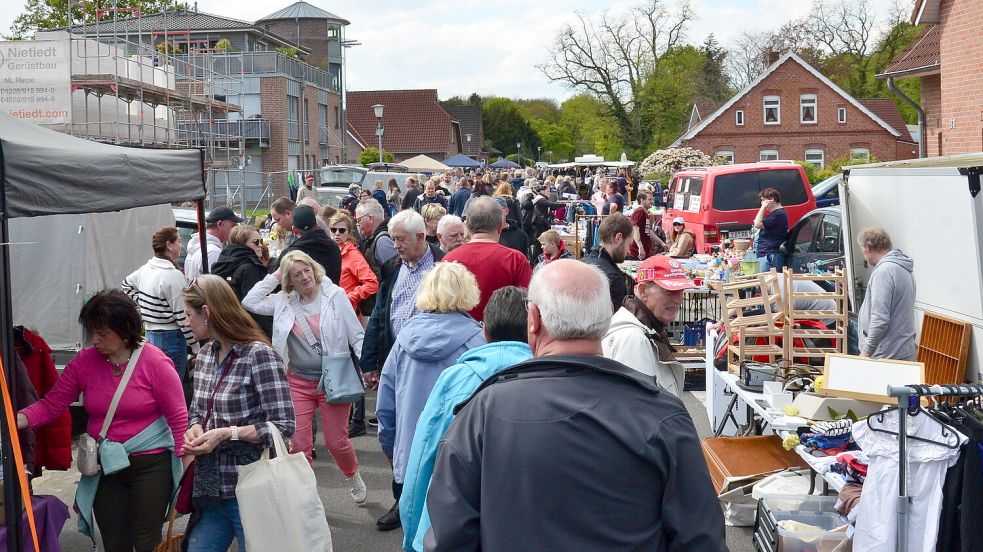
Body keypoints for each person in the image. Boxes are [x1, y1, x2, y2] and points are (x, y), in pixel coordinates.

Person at [424, 259, 727, 551]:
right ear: (608, 315)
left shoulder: (482, 413)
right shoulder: (662, 415)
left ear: (533, 320)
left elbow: (451, 536)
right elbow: (700, 538)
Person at [18, 290, 188, 552]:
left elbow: (178, 418)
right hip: (105, 466)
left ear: (127, 330)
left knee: (146, 540)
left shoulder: (156, 362)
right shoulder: (85, 361)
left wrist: (184, 461)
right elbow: (52, 404)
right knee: (114, 540)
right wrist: (16, 420)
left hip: (151, 465)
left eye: (103, 333)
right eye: (92, 333)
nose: (94, 340)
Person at [400, 286, 532, 552]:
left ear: (484, 330)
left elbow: (424, 455)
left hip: (455, 522)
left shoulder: (455, 380)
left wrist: (413, 535)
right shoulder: (550, 379)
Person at [242, 250, 368, 503]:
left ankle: (352, 474)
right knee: (298, 445)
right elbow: (250, 301)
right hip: (297, 381)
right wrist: (276, 273)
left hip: (333, 380)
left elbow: (356, 335)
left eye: (306, 270)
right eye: (296, 274)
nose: (304, 277)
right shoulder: (283, 300)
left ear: (314, 269)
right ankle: (308, 494)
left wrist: (368, 368)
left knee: (336, 442)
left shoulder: (335, 296)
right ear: (289, 280)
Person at [181, 275, 295, 551]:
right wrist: (195, 427)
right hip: (211, 488)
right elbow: (197, 410)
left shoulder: (259, 355)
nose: (186, 322)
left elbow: (284, 425)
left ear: (206, 313)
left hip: (251, 488)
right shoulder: (206, 354)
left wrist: (227, 434)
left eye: (188, 315)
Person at [377, 263, 486, 536]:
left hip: (412, 448)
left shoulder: (404, 339)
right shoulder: (478, 342)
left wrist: (390, 444)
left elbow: (386, 401)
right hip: (460, 455)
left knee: (414, 533)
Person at [361, 209, 444, 530]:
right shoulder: (394, 268)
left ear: (421, 237)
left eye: (400, 239)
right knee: (393, 434)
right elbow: (381, 315)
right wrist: (370, 363)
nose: (394, 245)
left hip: (431, 367)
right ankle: (402, 499)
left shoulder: (443, 266)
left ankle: (432, 503)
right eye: (393, 238)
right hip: (395, 364)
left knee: (428, 435)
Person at [603, 256, 700, 397]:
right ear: (642, 291)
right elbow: (637, 411)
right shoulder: (634, 340)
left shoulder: (644, 329)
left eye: (680, 292)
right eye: (669, 291)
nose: (678, 299)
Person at [349, 198, 400, 437]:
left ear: (370, 219)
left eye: (359, 221)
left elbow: (390, 275)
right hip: (373, 307)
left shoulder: (382, 242)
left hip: (375, 309)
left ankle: (387, 413)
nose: (358, 226)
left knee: (383, 361)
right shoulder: (379, 239)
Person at [122, 226, 196, 381]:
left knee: (154, 387)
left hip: (150, 336)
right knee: (172, 391)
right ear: (169, 245)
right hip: (172, 339)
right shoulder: (173, 276)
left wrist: (144, 304)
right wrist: (196, 346)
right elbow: (183, 318)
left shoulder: (146, 269)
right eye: (179, 241)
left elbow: (126, 285)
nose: (181, 245)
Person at [444, 197, 532, 322]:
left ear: (468, 225)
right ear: (500, 226)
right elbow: (527, 306)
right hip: (502, 335)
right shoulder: (515, 260)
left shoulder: (449, 260)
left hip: (459, 336)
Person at [857, 227, 916, 360]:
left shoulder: (883, 272)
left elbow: (880, 318)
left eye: (863, 251)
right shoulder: (903, 267)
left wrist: (866, 352)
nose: (864, 256)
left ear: (868, 247)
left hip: (886, 355)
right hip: (902, 350)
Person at [210, 225, 274, 337]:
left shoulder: (223, 262)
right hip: (250, 331)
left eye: (261, 241)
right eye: (256, 242)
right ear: (242, 245)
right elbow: (255, 308)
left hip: (226, 326)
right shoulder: (250, 268)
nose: (260, 245)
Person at [271, 204, 342, 285]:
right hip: (332, 295)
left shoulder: (290, 255)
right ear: (316, 224)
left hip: (303, 297)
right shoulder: (334, 247)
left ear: (294, 229)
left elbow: (275, 285)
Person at [328, 211, 380, 315]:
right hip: (330, 310)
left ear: (348, 233)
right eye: (333, 230)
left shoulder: (353, 255)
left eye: (341, 230)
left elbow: (372, 283)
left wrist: (349, 298)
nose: (337, 233)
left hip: (347, 312)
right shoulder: (329, 251)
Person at [582, 213, 633, 311]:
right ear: (618, 238)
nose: (629, 251)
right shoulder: (613, 278)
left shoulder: (581, 263)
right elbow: (616, 322)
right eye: (628, 244)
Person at [185, 206, 242, 280]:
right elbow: (216, 286)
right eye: (233, 225)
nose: (235, 229)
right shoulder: (213, 252)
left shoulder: (196, 247)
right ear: (220, 224)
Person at [755, 187, 789, 272]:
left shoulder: (778, 214)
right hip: (768, 253)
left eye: (763, 200)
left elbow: (757, 224)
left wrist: (762, 207)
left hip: (770, 254)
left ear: (771, 199)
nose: (761, 203)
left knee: (767, 284)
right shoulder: (776, 214)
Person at [629, 191, 666, 260]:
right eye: (649, 199)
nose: (652, 202)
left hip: (644, 252)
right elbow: (635, 229)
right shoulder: (640, 212)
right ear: (642, 200)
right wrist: (640, 247)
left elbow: (648, 231)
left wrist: (662, 244)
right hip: (637, 253)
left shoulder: (646, 213)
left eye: (652, 199)